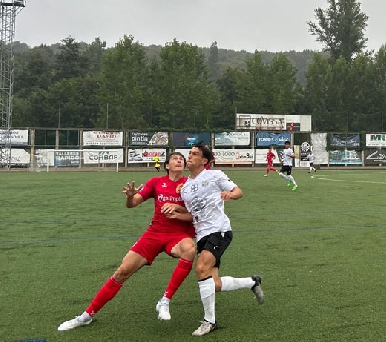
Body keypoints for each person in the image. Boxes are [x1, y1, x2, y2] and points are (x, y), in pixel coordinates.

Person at [57, 152, 196, 331]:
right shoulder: (155, 182)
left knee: (190, 249)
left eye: (181, 159)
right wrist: (130, 196)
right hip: (153, 234)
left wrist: (177, 209)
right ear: (167, 165)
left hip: (177, 235)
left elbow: (196, 214)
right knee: (121, 272)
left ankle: (165, 300)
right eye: (175, 158)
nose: (179, 160)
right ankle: (86, 316)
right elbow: (132, 204)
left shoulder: (190, 185)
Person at [168, 142, 263, 337]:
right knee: (214, 283)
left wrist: (230, 194)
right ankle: (252, 282)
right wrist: (176, 211)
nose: (190, 156)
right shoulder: (185, 187)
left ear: (203, 160)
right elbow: (192, 214)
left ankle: (209, 321)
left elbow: (238, 191)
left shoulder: (214, 175)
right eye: (190, 153)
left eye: (194, 154)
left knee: (201, 268)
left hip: (219, 230)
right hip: (202, 235)